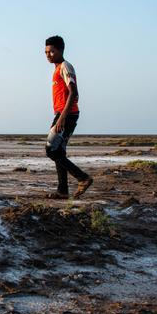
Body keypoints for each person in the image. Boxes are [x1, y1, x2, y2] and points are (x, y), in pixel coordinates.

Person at [43, 35, 92, 199]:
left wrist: (62, 117)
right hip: (62, 113)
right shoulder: (56, 69)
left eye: (51, 51)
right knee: (59, 152)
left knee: (50, 150)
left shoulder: (65, 66)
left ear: (61, 50)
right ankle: (62, 190)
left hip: (67, 114)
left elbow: (74, 92)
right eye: (46, 52)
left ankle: (82, 178)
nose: (48, 55)